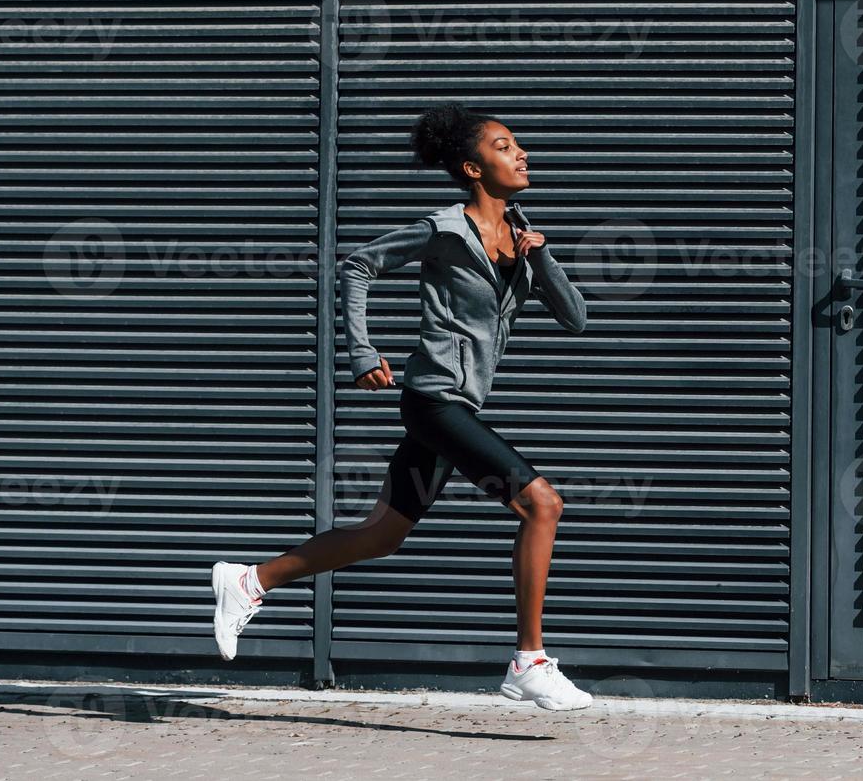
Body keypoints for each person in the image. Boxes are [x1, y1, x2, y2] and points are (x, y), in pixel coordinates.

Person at [210, 101, 593, 711]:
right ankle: (530, 660)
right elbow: (359, 265)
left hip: (454, 408)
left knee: (383, 534)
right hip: (435, 403)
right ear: (472, 167)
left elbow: (575, 318)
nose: (521, 154)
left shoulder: (520, 235)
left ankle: (251, 579)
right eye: (504, 146)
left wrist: (539, 255)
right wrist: (362, 351)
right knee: (542, 503)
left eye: (517, 145)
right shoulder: (444, 228)